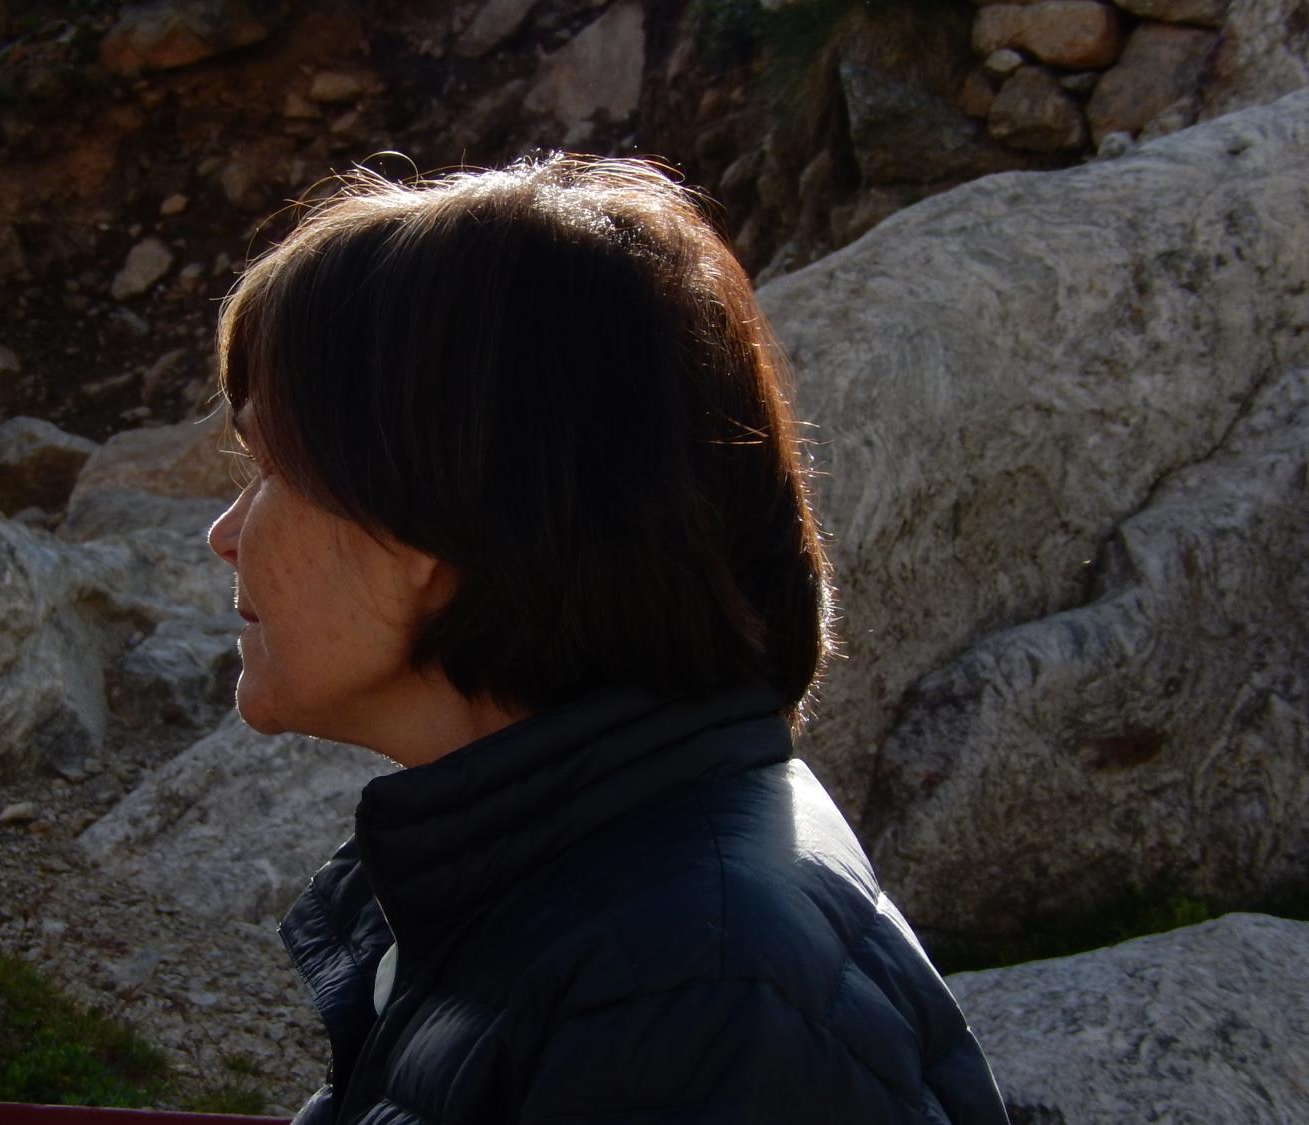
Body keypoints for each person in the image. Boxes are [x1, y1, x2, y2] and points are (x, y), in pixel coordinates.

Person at [205, 154, 1007, 1124]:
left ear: (437, 508)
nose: (226, 535)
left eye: (271, 467)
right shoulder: (594, 900)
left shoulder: (685, 997)